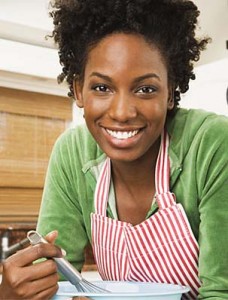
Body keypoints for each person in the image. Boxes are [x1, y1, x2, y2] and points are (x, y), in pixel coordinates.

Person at [0, 0, 228, 299]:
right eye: (102, 88)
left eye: (145, 89)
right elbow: (53, 282)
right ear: (79, 90)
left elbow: (221, 291)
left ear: (171, 92)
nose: (122, 113)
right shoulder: (73, 153)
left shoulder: (210, 143)